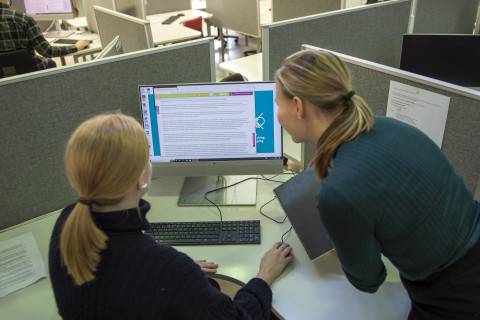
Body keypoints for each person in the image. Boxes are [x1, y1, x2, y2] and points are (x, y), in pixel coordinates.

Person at [274, 49, 480, 319]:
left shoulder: (336, 191)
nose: (277, 114)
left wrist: (348, 238)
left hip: (453, 295)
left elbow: (369, 280)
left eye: (278, 104)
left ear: (299, 106)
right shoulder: (393, 126)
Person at [48, 113, 293, 320]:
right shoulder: (165, 267)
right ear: (140, 179)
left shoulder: (66, 224)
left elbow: (117, 280)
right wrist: (265, 275)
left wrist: (172, 276)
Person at [0, 0, 90, 70]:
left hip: (3, 76)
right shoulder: (23, 19)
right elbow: (47, 51)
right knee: (50, 63)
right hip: (30, 71)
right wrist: (75, 47)